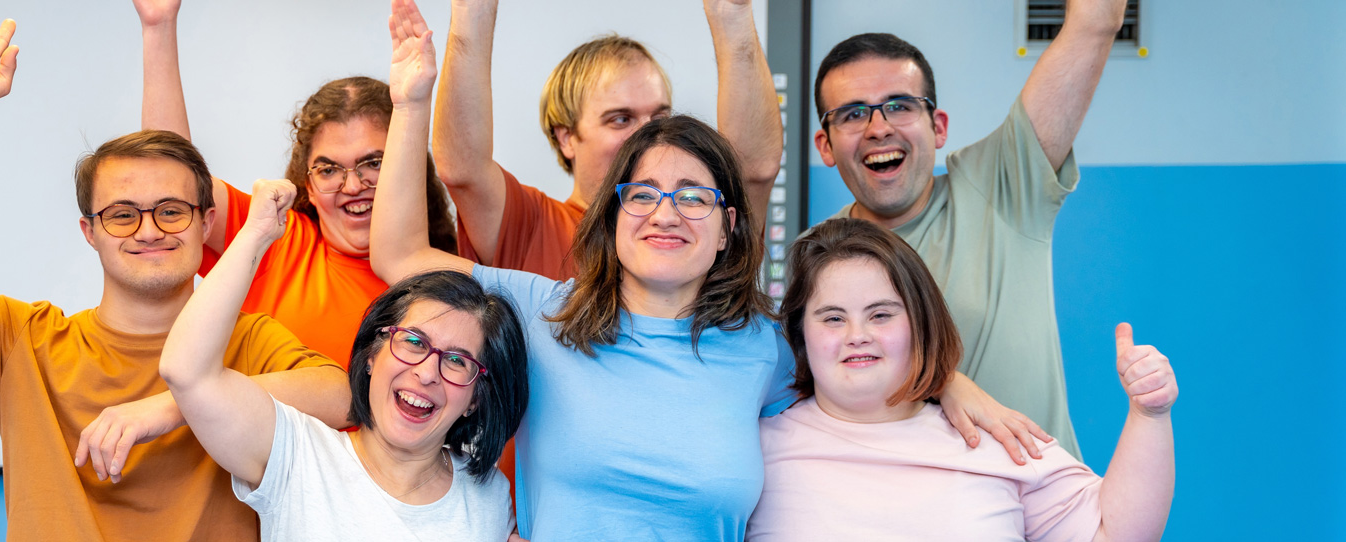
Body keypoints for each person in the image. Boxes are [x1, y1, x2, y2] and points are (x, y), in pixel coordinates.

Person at [370, 3, 1044, 539]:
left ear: (727, 228)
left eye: (693, 196)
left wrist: (948, 382)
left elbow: (861, 373)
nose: (667, 213)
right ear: (612, 217)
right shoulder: (545, 312)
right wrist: (411, 100)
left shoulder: (764, 348)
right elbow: (400, 255)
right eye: (644, 194)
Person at [0, 7, 349, 540]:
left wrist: (173, 405)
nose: (148, 230)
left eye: (171, 210)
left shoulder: (249, 343)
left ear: (206, 223)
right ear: (88, 231)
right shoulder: (24, 344)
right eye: (121, 214)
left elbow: (340, 393)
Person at [810, 0, 1131, 459]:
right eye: (853, 114)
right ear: (826, 144)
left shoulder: (1003, 183)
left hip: (1042, 512)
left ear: (937, 127)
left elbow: (1096, 20)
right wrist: (946, 383)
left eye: (900, 106)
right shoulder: (818, 256)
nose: (878, 128)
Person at [747, 217, 1177, 541]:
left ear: (920, 322)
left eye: (881, 314)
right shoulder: (751, 450)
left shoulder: (997, 439)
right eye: (833, 318)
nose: (858, 336)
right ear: (801, 333)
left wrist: (1149, 413)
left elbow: (1116, 533)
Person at [160, 175, 527, 540]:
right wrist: (255, 233)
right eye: (414, 341)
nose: (428, 372)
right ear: (371, 354)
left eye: (457, 361)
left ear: (475, 399)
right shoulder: (296, 453)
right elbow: (186, 372)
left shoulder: (489, 498)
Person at [132, 0, 458, 365]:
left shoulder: (447, 278)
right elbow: (172, 182)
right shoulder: (276, 241)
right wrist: (158, 27)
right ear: (309, 186)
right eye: (329, 169)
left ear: (407, 166)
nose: (352, 186)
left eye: (373, 163)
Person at [433, 0, 783, 281]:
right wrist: (471, 12)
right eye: (621, 119)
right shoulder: (533, 223)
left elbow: (751, 169)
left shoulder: (695, 226)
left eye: (658, 117)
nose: (648, 135)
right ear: (566, 137)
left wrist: (732, 16)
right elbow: (463, 168)